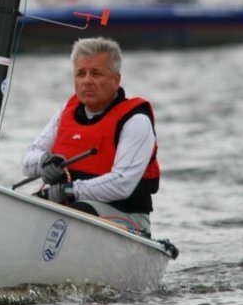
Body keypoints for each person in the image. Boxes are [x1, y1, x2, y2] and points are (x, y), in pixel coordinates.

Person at [20, 37, 160, 237]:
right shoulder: (65, 112)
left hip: (127, 216)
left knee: (73, 214)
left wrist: (68, 190)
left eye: (96, 73)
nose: (87, 80)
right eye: (81, 73)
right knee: (28, 208)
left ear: (116, 80)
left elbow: (122, 184)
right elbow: (27, 161)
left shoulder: (136, 121)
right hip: (72, 209)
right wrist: (45, 162)